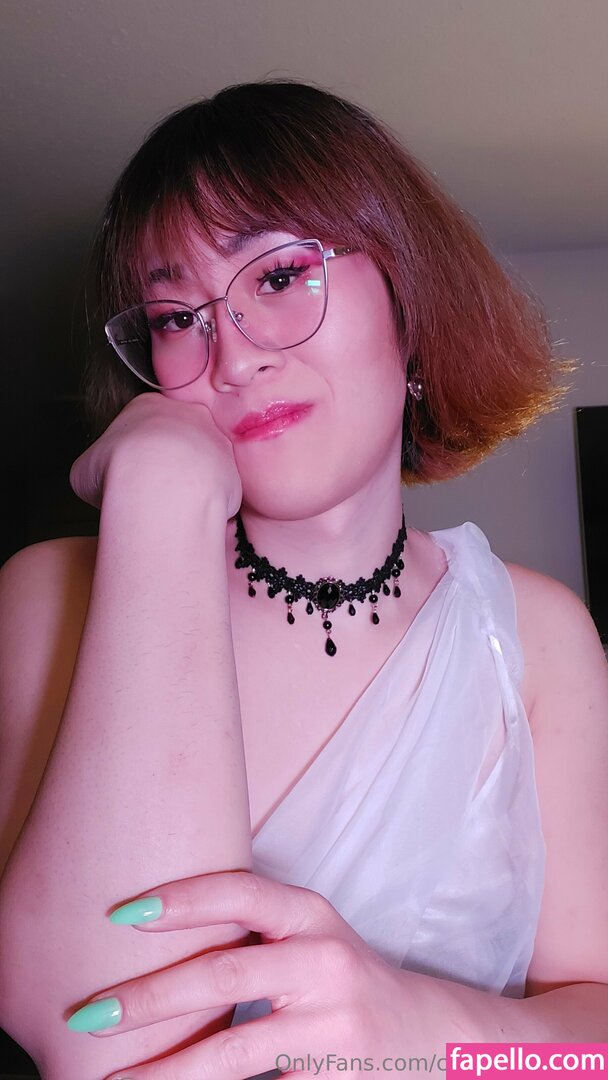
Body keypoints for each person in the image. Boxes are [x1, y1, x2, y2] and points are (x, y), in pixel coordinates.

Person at [0, 78, 606, 1080]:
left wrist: (430, 1031)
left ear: (408, 300)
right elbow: (101, 1041)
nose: (232, 357)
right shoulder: (46, 600)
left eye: (280, 275)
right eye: (176, 318)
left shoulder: (537, 639)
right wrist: (160, 497)